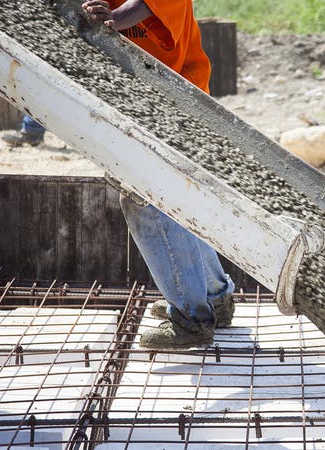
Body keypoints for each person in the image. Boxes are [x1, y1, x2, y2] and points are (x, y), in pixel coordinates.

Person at [82, 0, 235, 349]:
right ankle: (214, 298)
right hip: (140, 95)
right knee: (181, 200)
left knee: (146, 200)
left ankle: (191, 319)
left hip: (176, 99)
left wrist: (114, 20)